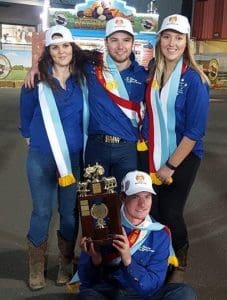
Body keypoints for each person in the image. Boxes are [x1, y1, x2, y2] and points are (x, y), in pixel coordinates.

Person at [25, 17, 148, 190]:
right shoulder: (91, 65)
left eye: (126, 40)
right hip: (96, 147)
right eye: (114, 40)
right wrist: (37, 65)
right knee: (93, 202)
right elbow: (61, 54)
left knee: (126, 198)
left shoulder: (144, 75)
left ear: (133, 42)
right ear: (106, 42)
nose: (120, 46)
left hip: (127, 149)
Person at [141, 14, 210, 281]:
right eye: (167, 36)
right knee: (154, 209)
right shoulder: (153, 71)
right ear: (159, 40)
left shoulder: (195, 80)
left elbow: (194, 132)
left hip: (184, 155)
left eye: (178, 38)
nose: (172, 43)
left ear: (186, 43)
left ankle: (180, 253)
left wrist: (169, 166)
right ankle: (160, 253)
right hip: (155, 151)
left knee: (171, 211)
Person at [19, 25, 87, 290]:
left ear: (73, 48)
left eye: (66, 46)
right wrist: (31, 138)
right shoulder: (36, 80)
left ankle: (66, 263)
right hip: (41, 159)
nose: (62, 51)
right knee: (41, 212)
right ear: (48, 51)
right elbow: (25, 117)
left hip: (72, 160)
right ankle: (36, 267)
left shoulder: (83, 77)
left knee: (69, 214)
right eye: (55, 47)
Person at [76, 170, 197, 300]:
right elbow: (87, 282)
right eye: (135, 197)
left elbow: (153, 284)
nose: (143, 204)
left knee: (185, 293)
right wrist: (95, 261)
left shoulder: (160, 234)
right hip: (110, 292)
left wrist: (128, 261)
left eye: (147, 196)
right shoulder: (100, 226)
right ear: (122, 197)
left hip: (143, 295)